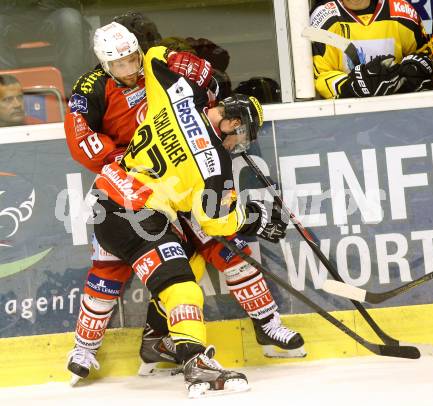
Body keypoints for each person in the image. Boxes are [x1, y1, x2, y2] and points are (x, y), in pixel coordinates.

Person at [64, 21, 305, 387]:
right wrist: (254, 217)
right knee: (129, 270)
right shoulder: (213, 165)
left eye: (134, 60)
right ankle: (94, 347)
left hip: (138, 192)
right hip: (138, 200)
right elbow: (217, 220)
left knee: (192, 265)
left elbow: (168, 61)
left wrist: (194, 71)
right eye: (120, 64)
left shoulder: (168, 90)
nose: (130, 70)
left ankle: (253, 326)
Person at [311, 0, 433, 99]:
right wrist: (352, 86)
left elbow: (424, 54)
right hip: (347, 115)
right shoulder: (325, 18)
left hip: (397, 111)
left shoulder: (401, 13)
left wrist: (414, 69)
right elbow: (320, 76)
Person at [0, 1, 93, 95]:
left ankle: (70, 92)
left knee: (70, 19)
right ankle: (8, 89)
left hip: (52, 12)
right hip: (13, 16)